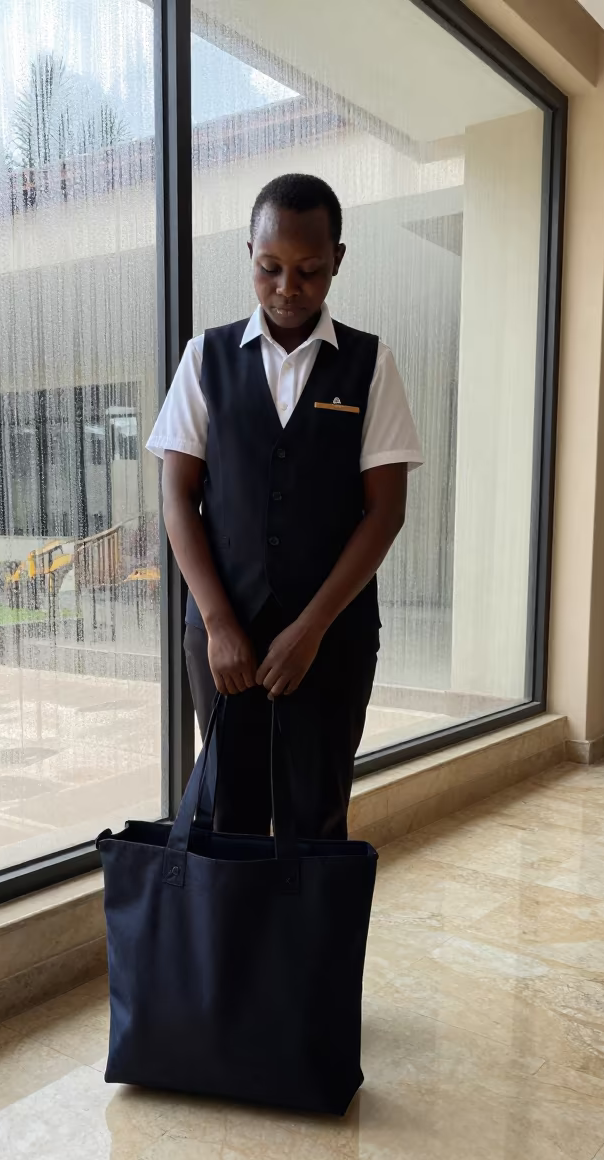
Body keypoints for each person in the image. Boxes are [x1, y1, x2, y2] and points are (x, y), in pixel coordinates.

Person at [148, 173, 422, 840]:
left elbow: (384, 512)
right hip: (223, 633)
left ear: (338, 261)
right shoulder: (205, 358)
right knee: (229, 812)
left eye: (310, 270)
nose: (287, 288)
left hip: (334, 634)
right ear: (250, 254)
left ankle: (308, 948)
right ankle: (235, 948)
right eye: (269, 268)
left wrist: (312, 628)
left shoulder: (369, 364)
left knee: (316, 815)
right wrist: (216, 622)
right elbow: (178, 497)